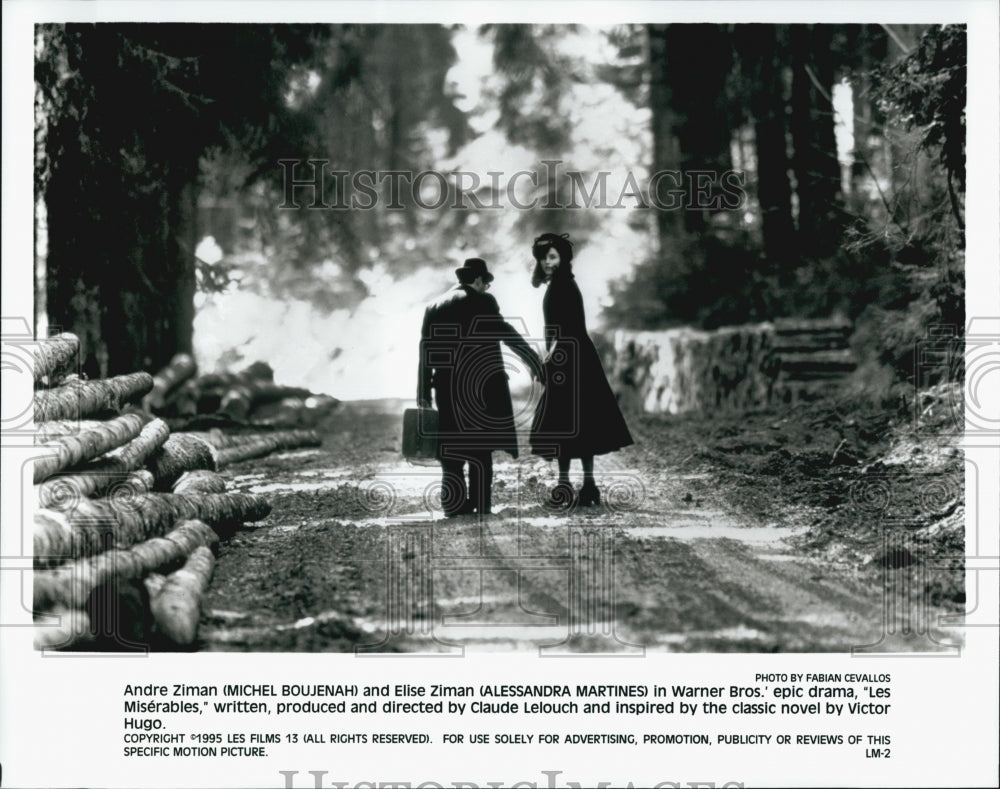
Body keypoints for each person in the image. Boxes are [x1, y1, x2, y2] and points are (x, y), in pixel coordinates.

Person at [418, 257, 542, 517]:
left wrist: (423, 393)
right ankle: (481, 504)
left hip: (446, 385)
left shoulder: (434, 305)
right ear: (477, 280)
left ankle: (453, 504)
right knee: (480, 444)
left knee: (452, 442)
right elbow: (505, 332)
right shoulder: (484, 301)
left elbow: (425, 350)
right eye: (485, 283)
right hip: (482, 385)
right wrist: (533, 362)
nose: (487, 288)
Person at [528, 233, 634, 507]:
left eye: (552, 257)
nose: (547, 262)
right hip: (573, 354)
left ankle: (570, 485)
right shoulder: (561, 284)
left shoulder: (563, 285)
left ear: (562, 258)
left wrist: (551, 356)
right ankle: (585, 486)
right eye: (543, 258)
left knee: (568, 421)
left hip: (569, 356)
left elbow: (566, 327)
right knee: (579, 422)